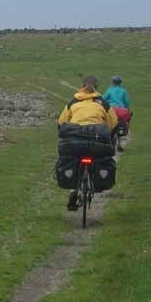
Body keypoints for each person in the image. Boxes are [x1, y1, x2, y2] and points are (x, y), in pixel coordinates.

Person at [57, 76, 118, 210]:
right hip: (97, 140)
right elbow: (114, 123)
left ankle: (73, 190)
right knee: (100, 158)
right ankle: (96, 181)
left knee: (72, 159)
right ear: (97, 88)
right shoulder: (103, 103)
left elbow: (61, 123)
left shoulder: (73, 102)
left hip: (75, 141)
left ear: (82, 86)